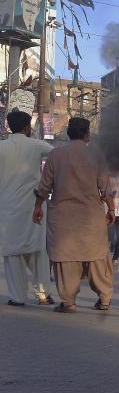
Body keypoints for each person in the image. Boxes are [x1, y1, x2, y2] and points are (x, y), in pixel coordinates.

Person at [32, 117, 114, 313]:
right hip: (91, 216)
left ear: (68, 133)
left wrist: (37, 208)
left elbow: (44, 188)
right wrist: (111, 209)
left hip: (63, 217)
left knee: (65, 258)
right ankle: (104, 299)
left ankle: (68, 302)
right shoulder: (97, 155)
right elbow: (106, 189)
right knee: (97, 256)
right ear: (87, 134)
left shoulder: (55, 154)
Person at [0, 110, 54, 306]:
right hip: (34, 207)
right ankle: (43, 294)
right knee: (38, 251)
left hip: (7, 209)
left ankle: (17, 297)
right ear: (26, 127)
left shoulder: (1, 147)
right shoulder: (36, 145)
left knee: (12, 254)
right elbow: (56, 155)